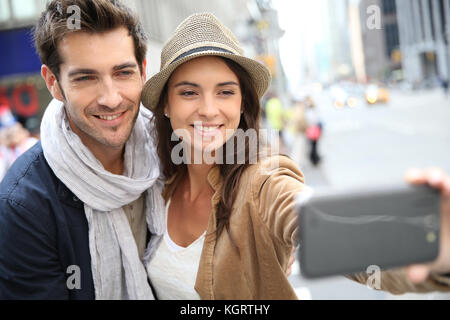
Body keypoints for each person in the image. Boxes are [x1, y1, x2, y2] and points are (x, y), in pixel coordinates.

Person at [140, 13, 450, 300]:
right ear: (166, 105)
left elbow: (327, 228)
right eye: (189, 92)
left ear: (242, 104)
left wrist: (429, 249)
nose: (208, 109)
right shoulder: (156, 186)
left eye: (225, 91)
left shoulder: (263, 183)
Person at [0, 0, 164, 299]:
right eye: (86, 78)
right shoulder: (23, 205)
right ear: (53, 83)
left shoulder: (173, 153)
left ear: (142, 70)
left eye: (123, 73)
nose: (111, 99)